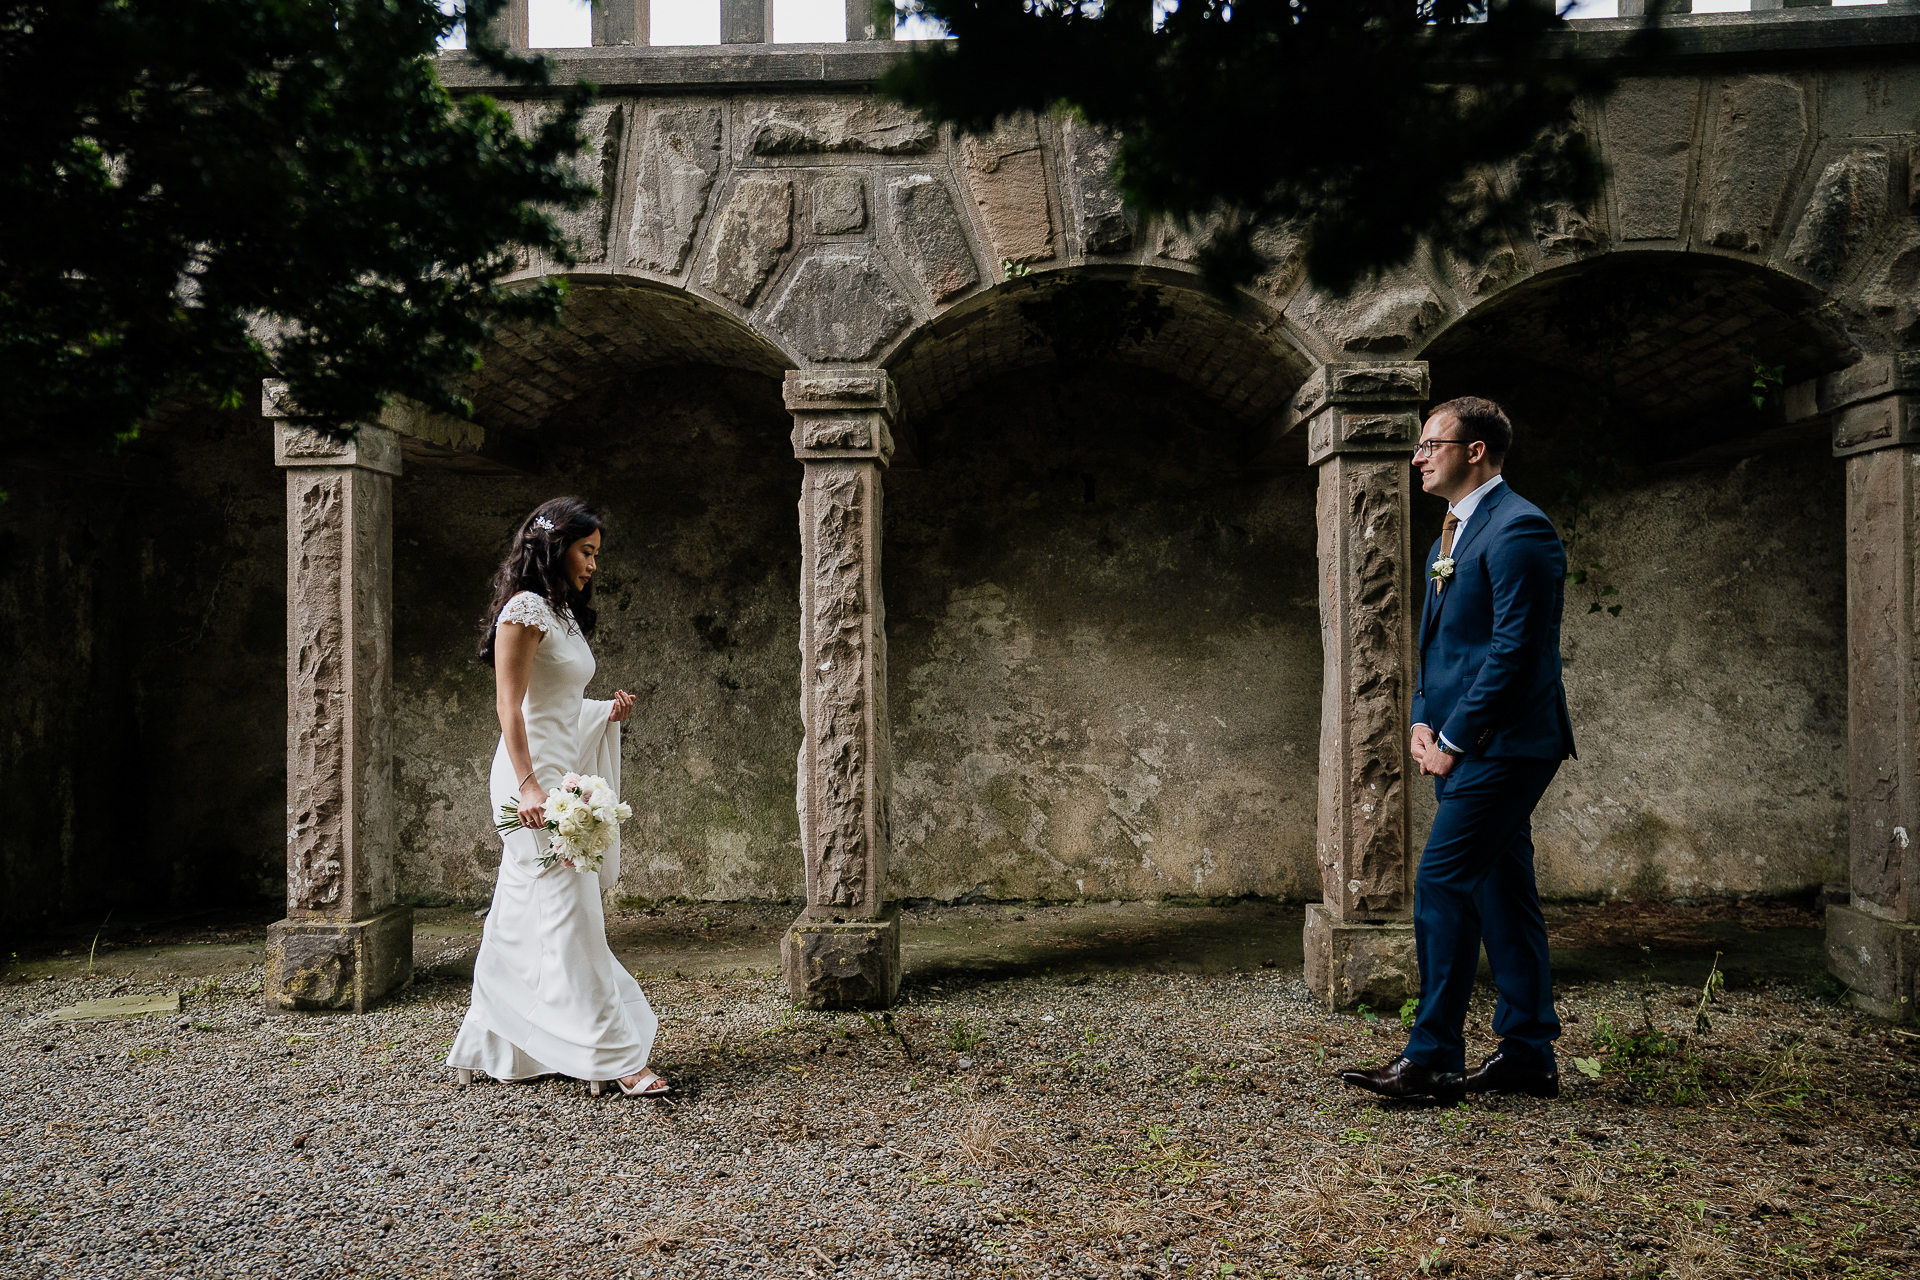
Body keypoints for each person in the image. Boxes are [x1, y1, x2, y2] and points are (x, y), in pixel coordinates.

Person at [1339, 397, 1576, 1104]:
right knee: (1503, 890)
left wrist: (1454, 736)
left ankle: (1434, 1057)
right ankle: (1529, 1052)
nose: (1418, 456)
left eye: (1430, 444)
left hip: (1505, 746)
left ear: (1475, 451)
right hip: (1462, 741)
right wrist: (1420, 717)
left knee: (1441, 882)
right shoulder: (1452, 533)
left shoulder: (1520, 530)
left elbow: (1516, 654)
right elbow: (1443, 645)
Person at [447, 497, 668, 1098]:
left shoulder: (562, 613)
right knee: (572, 910)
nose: (595, 564)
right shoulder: (523, 610)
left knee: (524, 913)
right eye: (587, 551)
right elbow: (509, 705)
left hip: (564, 773)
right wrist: (528, 787)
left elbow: (558, 703)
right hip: (532, 783)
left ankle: (493, 1041)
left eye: (598, 553)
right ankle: (612, 1054)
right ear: (556, 547)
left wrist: (604, 714)